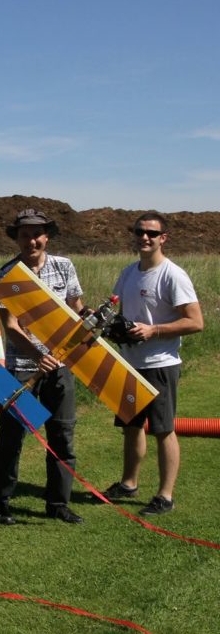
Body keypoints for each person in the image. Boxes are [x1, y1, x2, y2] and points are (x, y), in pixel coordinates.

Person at [0, 209, 86, 526]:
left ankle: (58, 503)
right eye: (25, 234)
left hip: (60, 367)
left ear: (47, 236)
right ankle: (0, 503)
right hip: (19, 370)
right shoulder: (8, 274)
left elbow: (77, 310)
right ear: (17, 238)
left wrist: (88, 321)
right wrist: (37, 354)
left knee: (62, 435)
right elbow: (11, 326)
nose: (33, 240)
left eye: (38, 234)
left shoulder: (64, 266)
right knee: (12, 438)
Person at [102, 212, 202, 515]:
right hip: (129, 362)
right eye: (139, 232)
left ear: (163, 238)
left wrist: (153, 330)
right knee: (131, 427)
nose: (144, 237)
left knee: (163, 429)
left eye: (151, 233)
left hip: (160, 363)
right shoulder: (129, 272)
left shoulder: (173, 275)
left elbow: (195, 322)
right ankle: (129, 483)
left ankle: (165, 495)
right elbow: (117, 307)